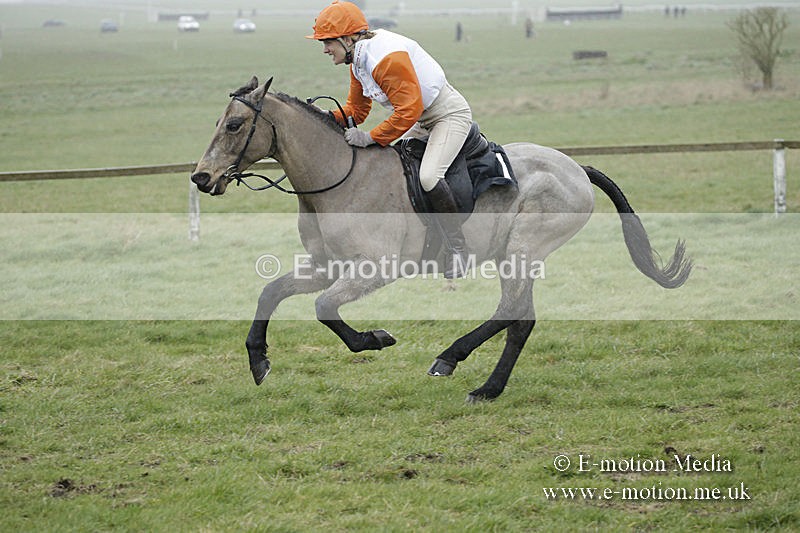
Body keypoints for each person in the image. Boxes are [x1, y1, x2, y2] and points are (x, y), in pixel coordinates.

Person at [307, 0, 472, 278]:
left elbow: (408, 111)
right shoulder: (358, 62)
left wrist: (370, 138)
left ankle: (458, 250)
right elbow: (357, 110)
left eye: (328, 42)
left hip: (447, 116)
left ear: (348, 39)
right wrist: (325, 117)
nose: (324, 49)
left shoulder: (385, 58)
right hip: (421, 119)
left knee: (428, 177)